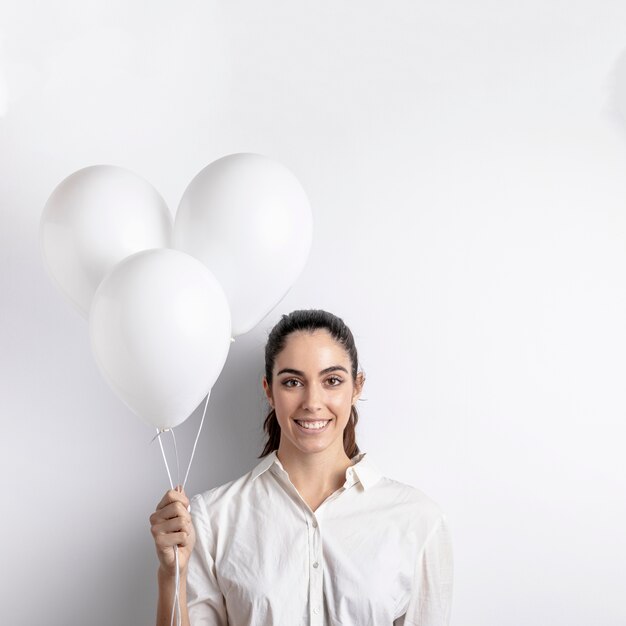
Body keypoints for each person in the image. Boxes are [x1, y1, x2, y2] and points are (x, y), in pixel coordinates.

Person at [150, 309, 453, 625]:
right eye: (293, 382)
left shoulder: (417, 519)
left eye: (332, 380)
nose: (312, 401)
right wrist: (172, 575)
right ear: (269, 390)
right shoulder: (212, 518)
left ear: (357, 387)